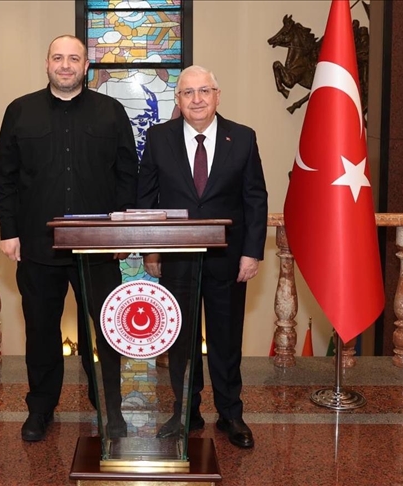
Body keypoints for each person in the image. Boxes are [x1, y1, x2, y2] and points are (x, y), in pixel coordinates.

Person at [0, 35, 138, 442]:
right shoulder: (20, 111)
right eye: (58, 57)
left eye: (74, 58)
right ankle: (40, 408)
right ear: (47, 63)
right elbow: (4, 176)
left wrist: (121, 232)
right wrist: (9, 230)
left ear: (86, 66)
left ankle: (109, 408)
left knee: (104, 332)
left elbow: (128, 175)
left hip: (98, 246)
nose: (66, 65)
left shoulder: (110, 112)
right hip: (38, 245)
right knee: (41, 331)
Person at [136, 65, 268, 449]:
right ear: (178, 100)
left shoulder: (242, 138)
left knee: (226, 340)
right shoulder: (158, 138)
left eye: (204, 91)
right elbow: (146, 199)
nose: (197, 99)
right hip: (177, 258)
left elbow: (255, 199)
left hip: (229, 258)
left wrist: (252, 253)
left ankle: (230, 413)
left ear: (217, 96)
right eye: (188, 92)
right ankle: (185, 412)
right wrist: (151, 250)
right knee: (181, 341)